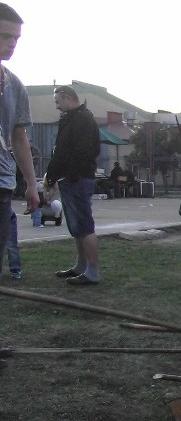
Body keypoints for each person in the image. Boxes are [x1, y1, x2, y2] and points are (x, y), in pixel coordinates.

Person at [46, 85, 101, 285]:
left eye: (58, 102)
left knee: (84, 225)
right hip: (70, 179)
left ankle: (92, 271)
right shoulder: (72, 119)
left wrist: (70, 175)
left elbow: (81, 152)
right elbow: (62, 151)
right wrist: (54, 176)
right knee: (76, 226)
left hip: (77, 179)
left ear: (68, 98)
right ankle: (81, 265)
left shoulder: (83, 120)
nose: (57, 107)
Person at [0, 3, 40, 277]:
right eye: (5, 36)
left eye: (16, 38)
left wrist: (31, 184)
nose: (12, 43)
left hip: (2, 183)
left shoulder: (14, 85)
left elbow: (19, 138)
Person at [5, 208, 21, 279]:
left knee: (12, 245)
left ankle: (15, 271)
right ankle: (15, 271)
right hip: (8, 214)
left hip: (8, 216)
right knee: (12, 245)